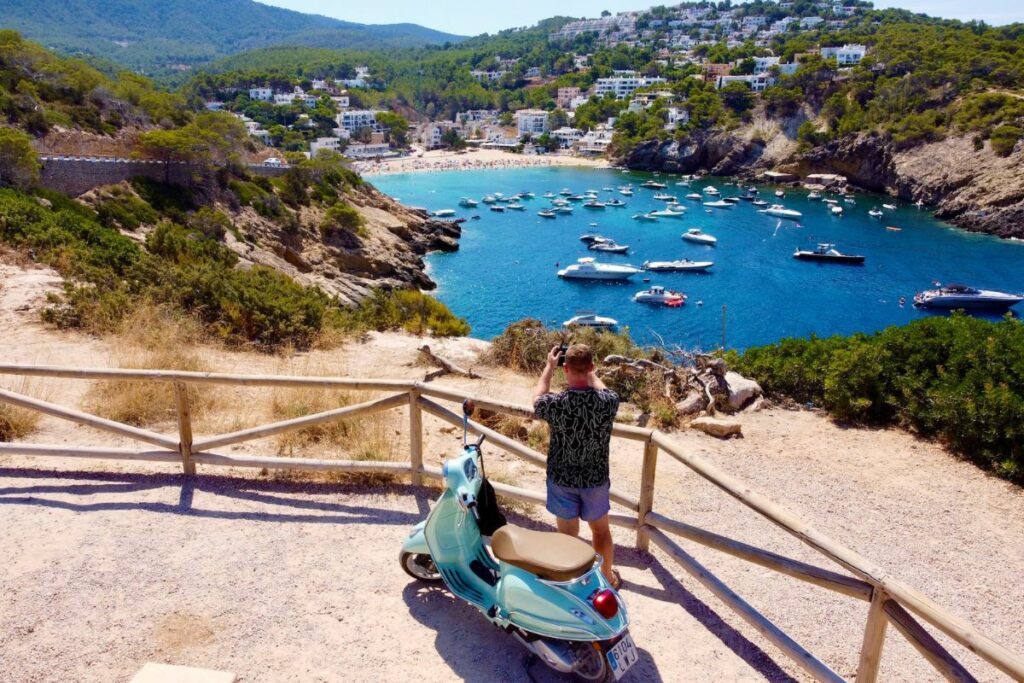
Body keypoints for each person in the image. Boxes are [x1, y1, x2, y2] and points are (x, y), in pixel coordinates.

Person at [533, 343, 621, 589]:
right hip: (595, 478)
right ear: (592, 367)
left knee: (567, 537)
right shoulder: (608, 402)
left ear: (566, 368)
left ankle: (570, 583)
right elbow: (604, 389)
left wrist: (549, 367)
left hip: (562, 478)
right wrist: (589, 372)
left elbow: (538, 397)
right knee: (601, 532)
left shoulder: (556, 404)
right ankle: (607, 580)